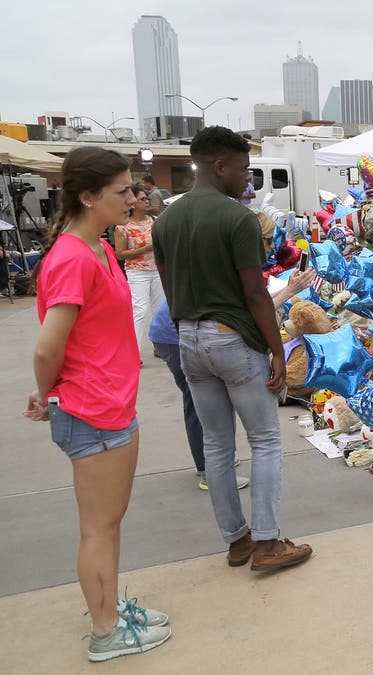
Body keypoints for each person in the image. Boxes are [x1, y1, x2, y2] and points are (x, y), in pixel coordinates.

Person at [24, 147, 172, 662]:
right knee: (98, 527)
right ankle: (105, 631)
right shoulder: (68, 259)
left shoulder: (102, 251)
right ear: (88, 197)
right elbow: (48, 345)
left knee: (111, 522)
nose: (134, 199)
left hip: (113, 402)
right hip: (90, 408)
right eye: (123, 191)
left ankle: (111, 607)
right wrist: (48, 393)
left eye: (133, 189)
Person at [152, 126, 312, 573]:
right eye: (243, 169)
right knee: (264, 440)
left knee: (217, 445)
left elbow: (170, 288)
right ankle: (267, 543)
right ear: (218, 166)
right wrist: (277, 351)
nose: (247, 180)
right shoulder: (237, 219)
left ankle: (237, 542)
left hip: (188, 338)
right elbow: (255, 295)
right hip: (232, 339)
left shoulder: (165, 221)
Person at [149, 267, 316, 491]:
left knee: (207, 405)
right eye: (265, 241)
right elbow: (252, 313)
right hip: (178, 335)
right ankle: (209, 469)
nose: (265, 248)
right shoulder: (232, 263)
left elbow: (255, 305)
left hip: (182, 332)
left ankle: (216, 463)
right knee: (199, 405)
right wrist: (289, 291)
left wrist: (288, 289)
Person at [114, 184, 164, 360]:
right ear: (133, 203)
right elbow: (120, 254)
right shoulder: (123, 227)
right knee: (140, 310)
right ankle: (134, 352)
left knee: (159, 310)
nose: (147, 201)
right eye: (142, 198)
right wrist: (146, 248)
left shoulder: (154, 221)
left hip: (157, 270)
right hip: (137, 272)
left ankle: (160, 346)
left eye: (146, 198)